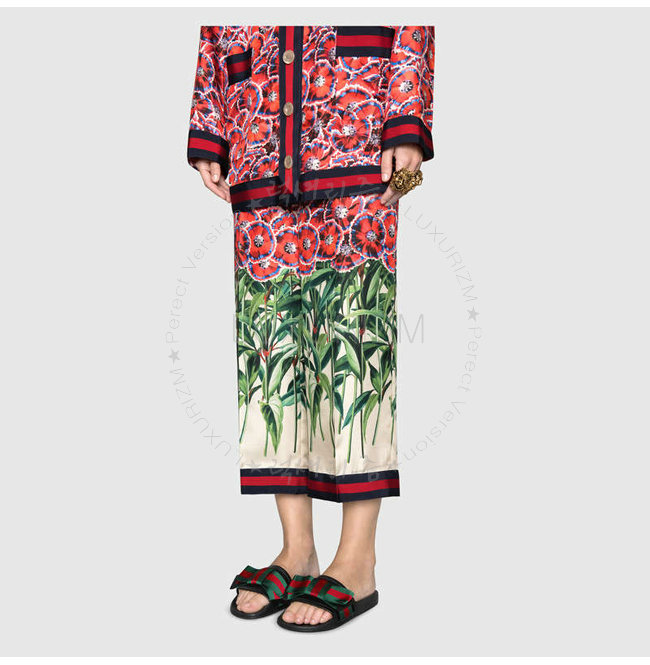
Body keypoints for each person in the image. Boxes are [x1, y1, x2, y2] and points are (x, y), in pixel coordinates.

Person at [187, 25, 434, 632]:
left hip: (356, 124)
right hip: (258, 129)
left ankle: (358, 559)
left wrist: (407, 121)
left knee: (357, 347)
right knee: (271, 354)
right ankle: (297, 550)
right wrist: (210, 122)